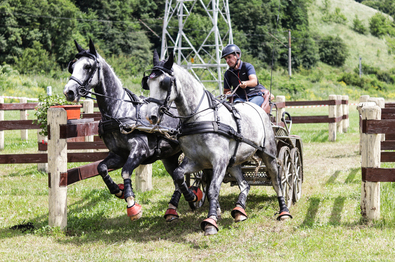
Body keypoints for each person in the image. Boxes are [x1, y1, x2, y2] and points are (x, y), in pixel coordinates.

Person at [222, 44, 271, 112]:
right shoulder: (227, 73)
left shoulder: (248, 66)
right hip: (239, 98)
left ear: (237, 55)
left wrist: (246, 83)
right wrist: (227, 93)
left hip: (255, 96)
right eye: (225, 59)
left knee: (248, 108)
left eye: (229, 57)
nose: (227, 61)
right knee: (234, 110)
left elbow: (254, 81)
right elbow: (226, 91)